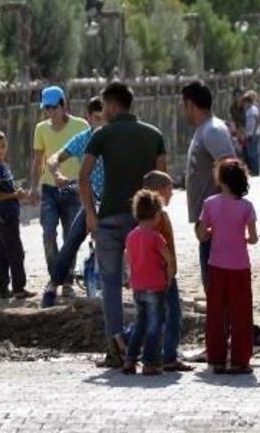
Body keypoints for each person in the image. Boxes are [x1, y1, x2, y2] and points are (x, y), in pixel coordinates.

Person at [80, 81, 166, 368]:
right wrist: (156, 218)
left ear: (114, 105)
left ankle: (115, 348)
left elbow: (83, 175)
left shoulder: (102, 135)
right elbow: (161, 182)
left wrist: (91, 214)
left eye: (103, 106)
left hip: (109, 219)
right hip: (143, 221)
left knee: (111, 283)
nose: (101, 112)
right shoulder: (154, 135)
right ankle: (153, 348)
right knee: (150, 284)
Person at [198, 159, 258, 375]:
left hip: (216, 264)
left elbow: (202, 234)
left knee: (216, 313)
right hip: (240, 265)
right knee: (241, 313)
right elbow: (252, 238)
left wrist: (214, 232)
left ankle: (217, 358)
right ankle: (241, 360)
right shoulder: (246, 206)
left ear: (221, 179)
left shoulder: (209, 203)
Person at [44, 97, 105, 306]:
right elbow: (54, 158)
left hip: (113, 202)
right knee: (71, 241)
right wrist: (57, 174)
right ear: (88, 118)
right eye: (97, 118)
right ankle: (53, 285)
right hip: (91, 201)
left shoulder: (114, 139)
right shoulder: (82, 140)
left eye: (104, 118)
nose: (101, 123)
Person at [29, 86, 89, 296]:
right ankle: (55, 275)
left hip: (73, 189)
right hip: (49, 190)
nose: (50, 113)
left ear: (64, 104)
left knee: (70, 235)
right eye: (46, 108)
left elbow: (89, 157)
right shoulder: (41, 129)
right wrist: (33, 187)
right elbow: (38, 161)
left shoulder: (81, 126)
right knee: (48, 232)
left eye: (53, 108)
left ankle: (68, 281)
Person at [182, 80, 236, 289]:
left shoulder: (212, 130)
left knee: (217, 285)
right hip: (208, 221)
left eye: (184, 105)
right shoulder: (203, 130)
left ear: (190, 105)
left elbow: (230, 171)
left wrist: (216, 218)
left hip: (215, 223)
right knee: (212, 284)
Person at [142, 170, 193, 372]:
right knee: (172, 315)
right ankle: (169, 357)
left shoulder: (142, 218)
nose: (172, 194)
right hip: (164, 276)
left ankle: (143, 351)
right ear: (160, 191)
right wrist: (170, 271)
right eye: (170, 190)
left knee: (150, 317)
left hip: (148, 277)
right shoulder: (160, 218)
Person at [122, 190, 175, 376]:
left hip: (138, 287)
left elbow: (127, 259)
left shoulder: (131, 236)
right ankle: (149, 362)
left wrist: (129, 277)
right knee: (155, 325)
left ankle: (129, 360)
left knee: (140, 324)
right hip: (155, 287)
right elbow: (168, 259)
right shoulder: (155, 237)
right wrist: (168, 277)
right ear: (155, 214)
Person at [0, 131, 35, 300]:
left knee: (2, 252)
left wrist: (19, 195)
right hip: (5, 216)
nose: (0, 150)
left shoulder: (3, 165)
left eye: (3, 146)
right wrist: (15, 195)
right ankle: (19, 289)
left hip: (6, 214)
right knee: (15, 252)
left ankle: (3, 289)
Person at [241, 90, 260, 176]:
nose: (244, 105)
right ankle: (253, 169)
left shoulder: (253, 109)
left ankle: (256, 171)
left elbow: (257, 121)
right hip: (249, 133)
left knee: (253, 153)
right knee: (250, 152)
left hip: (254, 133)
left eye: (245, 103)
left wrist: (253, 132)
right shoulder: (248, 110)